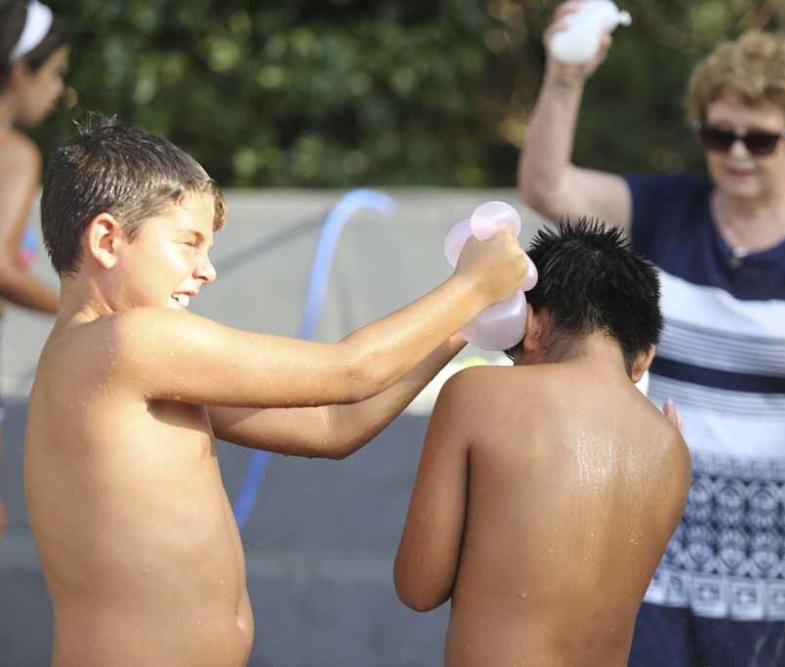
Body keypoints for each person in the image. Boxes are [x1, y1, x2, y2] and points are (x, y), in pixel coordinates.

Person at [24, 117, 526, 666]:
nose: (207, 269)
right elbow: (349, 372)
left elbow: (332, 427)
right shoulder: (132, 342)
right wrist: (472, 285)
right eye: (188, 243)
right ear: (107, 240)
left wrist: (462, 321)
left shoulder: (99, 362)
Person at [518, 10, 785, 666]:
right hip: (667, 537)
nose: (735, 153)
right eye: (718, 134)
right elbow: (546, 186)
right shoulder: (669, 208)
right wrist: (563, 77)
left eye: (759, 140)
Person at [395, 219, 691, 665]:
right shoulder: (671, 448)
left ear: (531, 325)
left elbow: (419, 585)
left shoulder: (478, 393)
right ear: (644, 357)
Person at [0, 0, 66, 540]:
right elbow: (0, 267)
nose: (60, 93)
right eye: (57, 74)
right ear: (20, 70)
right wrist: (83, 306)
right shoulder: (13, 152)